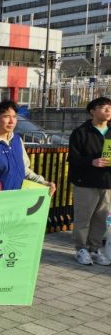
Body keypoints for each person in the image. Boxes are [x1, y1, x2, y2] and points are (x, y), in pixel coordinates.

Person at [0, 100, 56, 196]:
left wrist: (42, 182)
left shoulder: (17, 140)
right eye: (6, 116)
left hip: (17, 201)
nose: (12, 121)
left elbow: (23, 169)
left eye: (14, 117)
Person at [69, 97, 111, 266]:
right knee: (83, 217)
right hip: (85, 182)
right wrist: (91, 162)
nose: (108, 110)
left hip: (107, 183)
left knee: (103, 218)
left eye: (110, 107)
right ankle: (81, 249)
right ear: (92, 111)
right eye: (103, 107)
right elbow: (73, 158)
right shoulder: (81, 132)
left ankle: (94, 249)